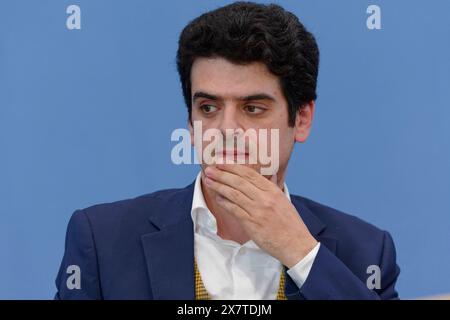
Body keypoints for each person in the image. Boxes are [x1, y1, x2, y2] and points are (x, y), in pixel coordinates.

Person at [55, 1, 400, 300]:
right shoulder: (102, 241)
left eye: (253, 108)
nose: (226, 130)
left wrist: (301, 253)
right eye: (208, 108)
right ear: (190, 123)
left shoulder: (365, 254)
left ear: (303, 118)